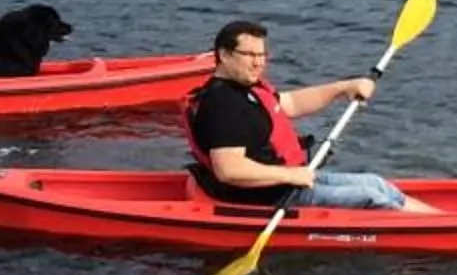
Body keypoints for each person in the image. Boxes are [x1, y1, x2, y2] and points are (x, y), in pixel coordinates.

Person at [185, 19, 433, 212]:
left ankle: (444, 218)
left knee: (375, 183)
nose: (258, 63)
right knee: (371, 198)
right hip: (268, 198)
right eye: (250, 55)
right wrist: (291, 175)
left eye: (262, 55)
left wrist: (343, 88)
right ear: (225, 55)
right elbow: (229, 170)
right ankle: (447, 228)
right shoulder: (222, 104)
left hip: (286, 183)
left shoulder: (248, 89)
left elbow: (290, 104)